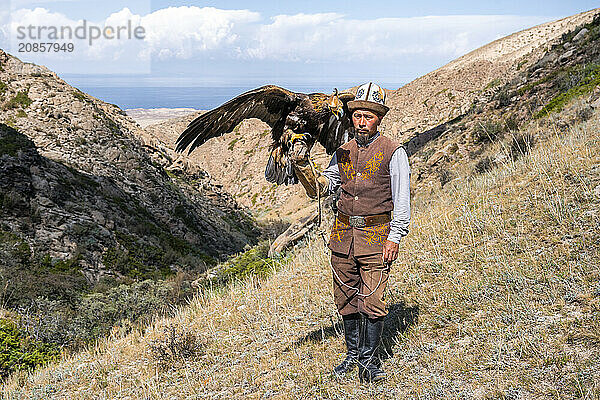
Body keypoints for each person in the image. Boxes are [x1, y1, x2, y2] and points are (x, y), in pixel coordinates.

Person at [290, 82, 411, 383]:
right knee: (345, 298)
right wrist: (303, 164)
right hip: (342, 236)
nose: (361, 121)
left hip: (376, 236)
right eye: (357, 115)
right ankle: (352, 356)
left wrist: (395, 236)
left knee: (372, 300)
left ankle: (369, 364)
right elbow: (321, 188)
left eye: (368, 116)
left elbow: (403, 199)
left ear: (379, 119)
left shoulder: (393, 152)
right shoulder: (341, 152)